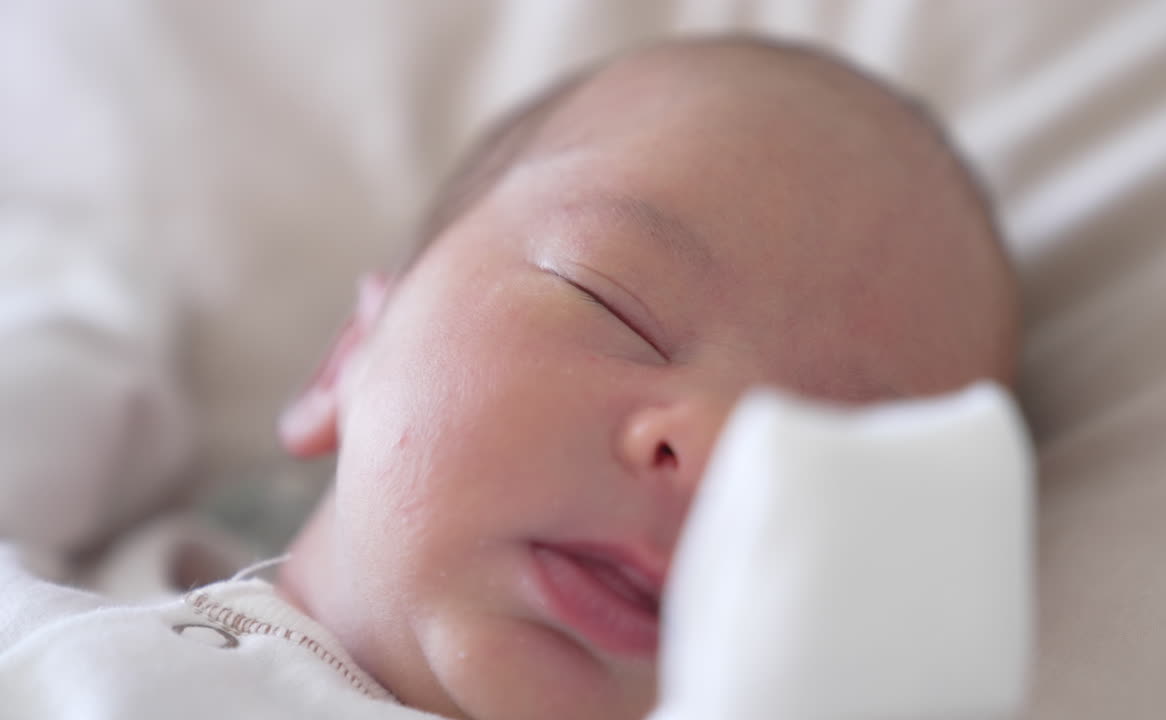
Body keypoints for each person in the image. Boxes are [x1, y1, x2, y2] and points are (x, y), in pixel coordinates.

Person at [0, 35, 1019, 720]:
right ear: (347, 359)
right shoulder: (62, 593)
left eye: (817, 450)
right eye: (615, 302)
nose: (711, 448)